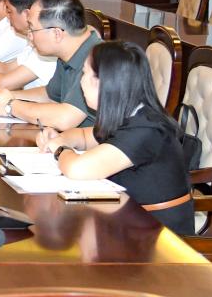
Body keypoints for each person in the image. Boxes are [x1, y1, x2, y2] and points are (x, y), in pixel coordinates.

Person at [36, 41, 194, 235]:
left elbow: (77, 168)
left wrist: (60, 149)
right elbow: (84, 136)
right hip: (127, 220)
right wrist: (60, 138)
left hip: (157, 235)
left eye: (84, 73)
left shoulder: (147, 129)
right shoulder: (129, 111)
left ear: (104, 83)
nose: (80, 81)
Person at [0, 0, 101, 130]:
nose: (29, 36)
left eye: (32, 29)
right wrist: (10, 95)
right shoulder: (68, 53)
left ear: (57, 34)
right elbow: (50, 95)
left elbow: (65, 118)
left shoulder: (96, 60)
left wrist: (10, 105)